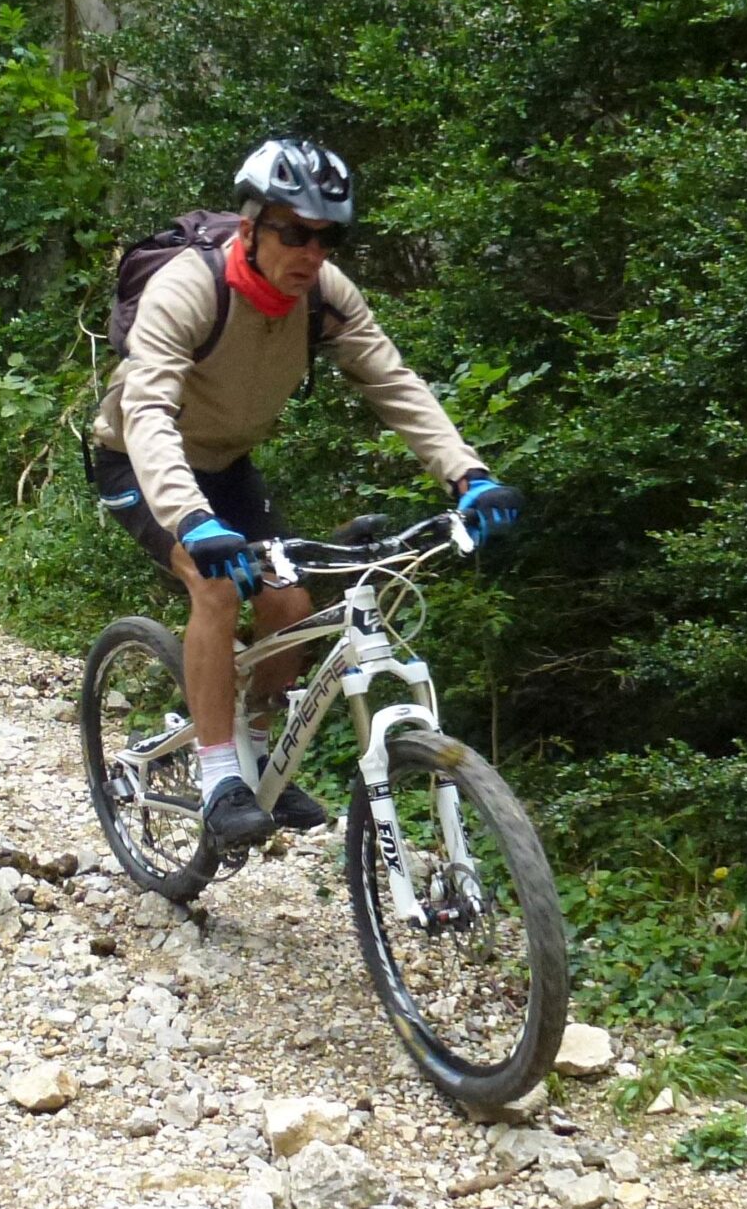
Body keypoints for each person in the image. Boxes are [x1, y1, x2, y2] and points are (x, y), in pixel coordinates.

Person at [87, 138, 522, 852]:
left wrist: (467, 474)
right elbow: (149, 413)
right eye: (295, 231)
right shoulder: (189, 289)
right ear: (252, 226)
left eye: (328, 236)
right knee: (217, 585)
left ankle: (257, 755)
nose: (311, 251)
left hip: (224, 464)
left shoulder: (324, 295)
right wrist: (192, 521)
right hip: (137, 461)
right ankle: (221, 774)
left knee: (288, 601)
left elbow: (393, 382)